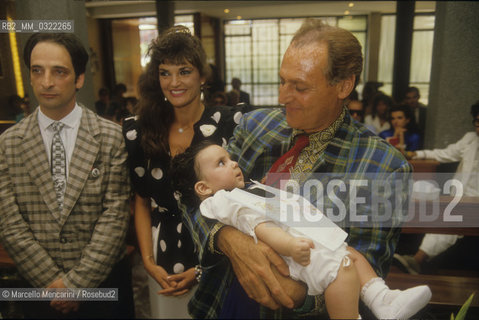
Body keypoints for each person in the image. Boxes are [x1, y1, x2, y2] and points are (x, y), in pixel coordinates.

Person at [182, 19, 412, 318]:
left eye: (300, 87)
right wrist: (229, 241)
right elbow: (194, 197)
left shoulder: (382, 167)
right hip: (225, 298)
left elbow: (365, 271)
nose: (282, 97)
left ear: (343, 85)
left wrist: (296, 294)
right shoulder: (256, 127)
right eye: (282, 81)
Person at [171, 141, 431, 319]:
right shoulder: (225, 200)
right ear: (203, 188)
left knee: (350, 255)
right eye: (221, 163)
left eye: (229, 158)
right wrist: (288, 246)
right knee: (340, 269)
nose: (234, 163)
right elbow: (258, 226)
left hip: (310, 238)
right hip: (292, 252)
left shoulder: (244, 189)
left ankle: (382, 299)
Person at [0, 33, 133, 318]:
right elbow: (9, 221)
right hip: (39, 291)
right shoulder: (8, 143)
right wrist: (53, 283)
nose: (47, 82)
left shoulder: (110, 137)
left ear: (79, 79)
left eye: (59, 72)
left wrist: (77, 285)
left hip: (103, 287)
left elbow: (116, 216)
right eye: (38, 70)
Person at [122, 25, 243, 319]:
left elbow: (244, 199)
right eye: (165, 73)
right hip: (161, 258)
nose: (174, 82)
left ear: (202, 76)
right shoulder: (140, 130)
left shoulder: (230, 124)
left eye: (184, 71)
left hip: (219, 253)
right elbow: (140, 201)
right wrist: (148, 262)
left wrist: (202, 269)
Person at [394, 101, 479, 274]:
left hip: (474, 204)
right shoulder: (471, 139)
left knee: (452, 218)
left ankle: (416, 260)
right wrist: (414, 154)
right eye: (478, 122)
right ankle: (413, 260)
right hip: (459, 197)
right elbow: (445, 153)